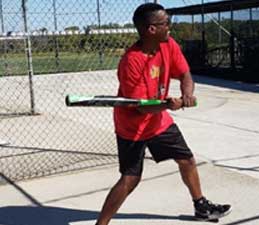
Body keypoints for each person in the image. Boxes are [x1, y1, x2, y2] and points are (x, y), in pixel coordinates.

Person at [95, 3, 231, 225]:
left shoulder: (168, 45)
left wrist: (186, 94)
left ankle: (201, 207)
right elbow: (141, 107)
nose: (170, 26)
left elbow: (185, 74)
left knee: (186, 159)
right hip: (132, 126)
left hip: (158, 121)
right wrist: (168, 104)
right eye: (166, 23)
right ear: (151, 29)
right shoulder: (131, 61)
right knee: (130, 178)